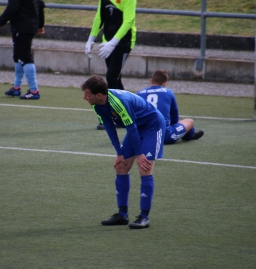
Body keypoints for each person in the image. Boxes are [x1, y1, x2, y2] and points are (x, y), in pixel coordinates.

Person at [81, 75, 165, 229]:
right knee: (121, 166)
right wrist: (119, 153)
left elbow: (131, 128)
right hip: (136, 128)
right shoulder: (96, 104)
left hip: (152, 126)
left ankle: (144, 217)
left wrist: (139, 155)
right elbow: (109, 126)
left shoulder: (118, 102)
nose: (84, 98)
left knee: (144, 167)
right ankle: (122, 214)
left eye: (87, 94)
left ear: (98, 95)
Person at [84, 0, 137, 130]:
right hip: (107, 41)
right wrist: (91, 39)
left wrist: (114, 42)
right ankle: (127, 112)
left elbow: (128, 21)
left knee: (112, 77)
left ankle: (114, 114)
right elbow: (99, 17)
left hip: (124, 42)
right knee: (116, 79)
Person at [0, 0, 45, 100]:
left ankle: (34, 90)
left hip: (21, 27)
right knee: (18, 56)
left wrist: (0, 22)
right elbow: (40, 6)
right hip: (29, 26)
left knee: (25, 57)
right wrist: (40, 25)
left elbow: (12, 8)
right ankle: (16, 87)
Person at [136, 70, 204, 144]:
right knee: (189, 121)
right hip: (164, 136)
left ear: (150, 80)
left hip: (142, 136)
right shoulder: (168, 92)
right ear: (165, 84)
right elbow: (174, 119)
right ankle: (190, 135)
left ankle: (188, 133)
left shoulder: (138, 94)